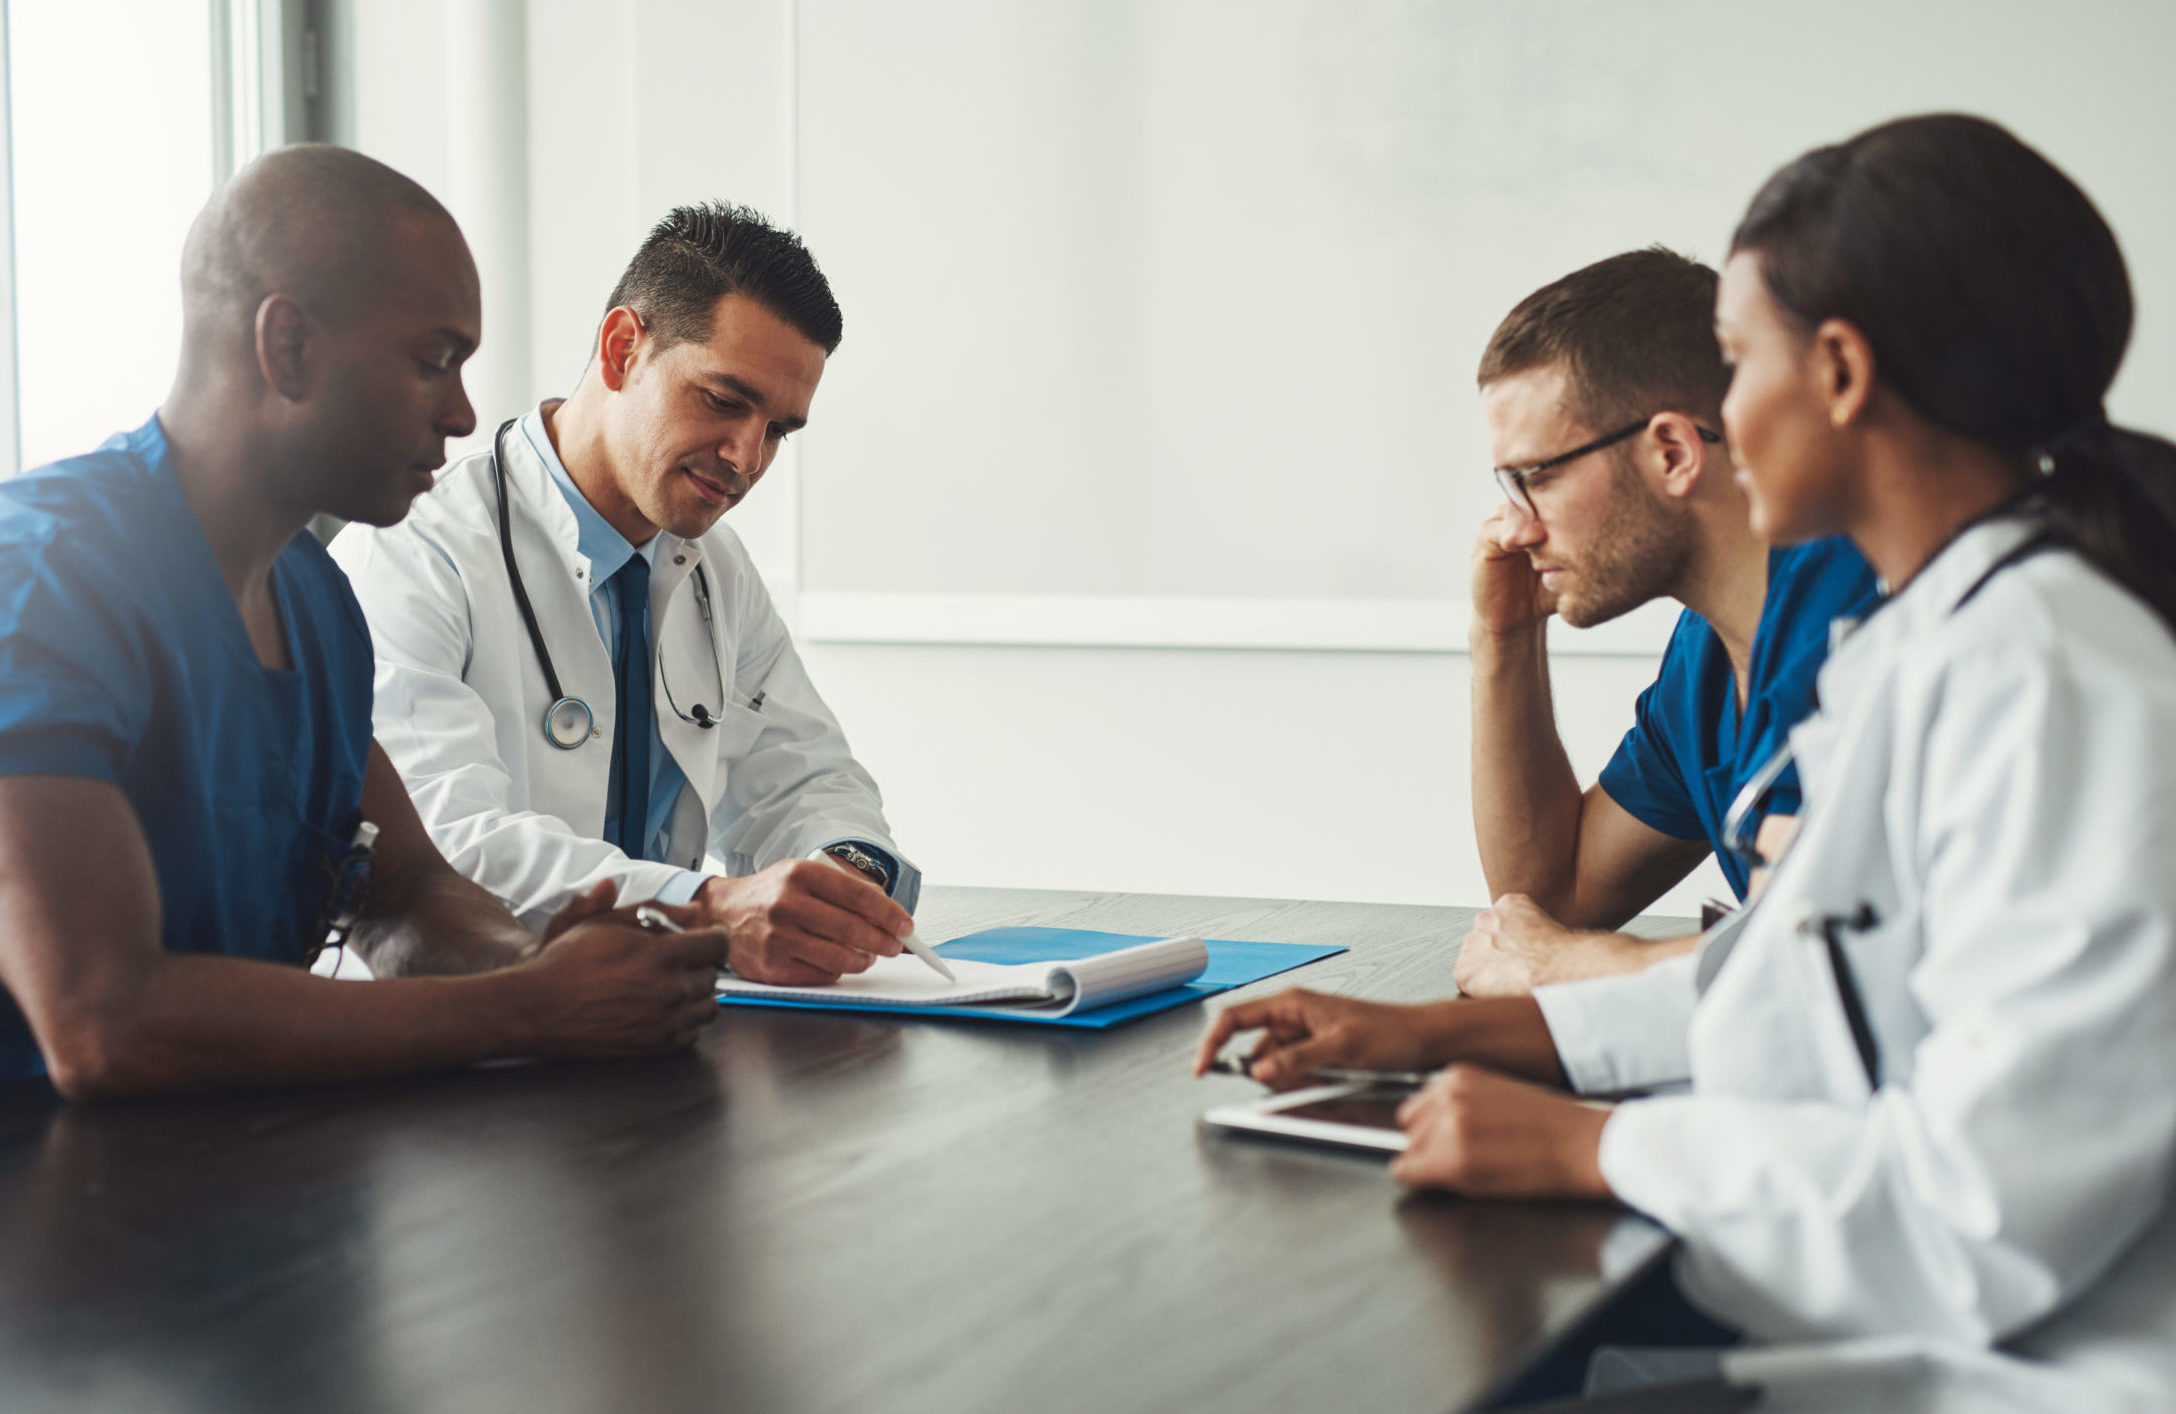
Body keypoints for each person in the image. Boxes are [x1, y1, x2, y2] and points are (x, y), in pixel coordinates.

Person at [1199, 114, 2176, 1408]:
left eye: (1734, 360)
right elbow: (1798, 991)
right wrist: (1420, 1030)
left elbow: (1985, 1218)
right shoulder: (1947, 639)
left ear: (1838, 372)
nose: (1720, 417)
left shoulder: (2045, 676)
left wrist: (1600, 1147)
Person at [0, 145, 729, 1099]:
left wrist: (535, 957)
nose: (466, 415)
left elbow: (410, 898)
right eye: (433, 363)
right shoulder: (42, 578)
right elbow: (103, 1022)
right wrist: (527, 1007)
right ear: (288, 347)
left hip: (247, 1194)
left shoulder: (314, 599)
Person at [332, 204, 917, 988]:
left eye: (779, 429)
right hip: (452, 1040)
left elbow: (808, 776)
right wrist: (704, 908)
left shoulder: (717, 569)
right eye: (723, 399)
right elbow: (444, 849)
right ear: (622, 349)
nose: (747, 456)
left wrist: (842, 875)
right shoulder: (414, 547)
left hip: (641, 1022)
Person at [1459, 249, 1877, 998]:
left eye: (1539, 476)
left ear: (1673, 452)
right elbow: (1550, 901)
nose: (1513, 528)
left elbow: (1853, 957)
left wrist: (1576, 964)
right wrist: (1506, 640)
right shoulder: (1707, 659)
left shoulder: (1869, 619)